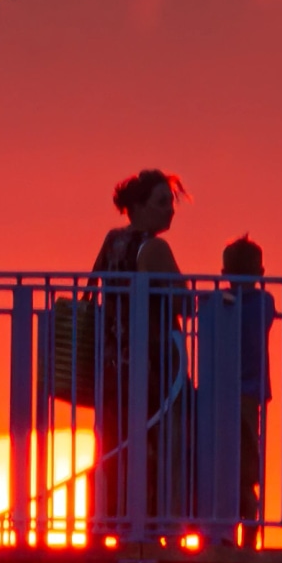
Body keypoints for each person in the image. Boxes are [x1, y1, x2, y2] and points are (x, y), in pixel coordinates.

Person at [85, 169, 188, 538]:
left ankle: (110, 521)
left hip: (113, 362)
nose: (170, 211)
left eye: (171, 203)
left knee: (114, 444)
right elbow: (184, 302)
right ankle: (158, 525)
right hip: (151, 362)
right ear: (138, 207)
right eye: (162, 202)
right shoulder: (154, 248)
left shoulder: (112, 242)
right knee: (163, 440)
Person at [217, 235, 273, 544]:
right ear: (260, 274)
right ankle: (248, 527)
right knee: (246, 460)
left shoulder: (223, 305)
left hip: (223, 394)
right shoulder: (265, 302)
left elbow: (211, 311)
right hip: (250, 395)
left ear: (225, 275)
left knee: (228, 462)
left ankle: (231, 527)